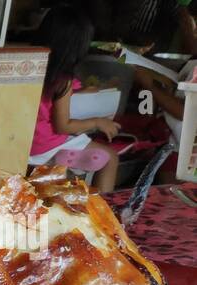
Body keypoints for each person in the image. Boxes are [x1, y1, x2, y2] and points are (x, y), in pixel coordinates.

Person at [29, 5, 122, 191]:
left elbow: (48, 102)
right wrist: (98, 122)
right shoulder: (63, 80)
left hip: (26, 143)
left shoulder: (31, 66)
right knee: (111, 157)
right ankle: (103, 207)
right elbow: (63, 125)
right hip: (47, 145)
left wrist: (80, 92)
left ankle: (64, 162)